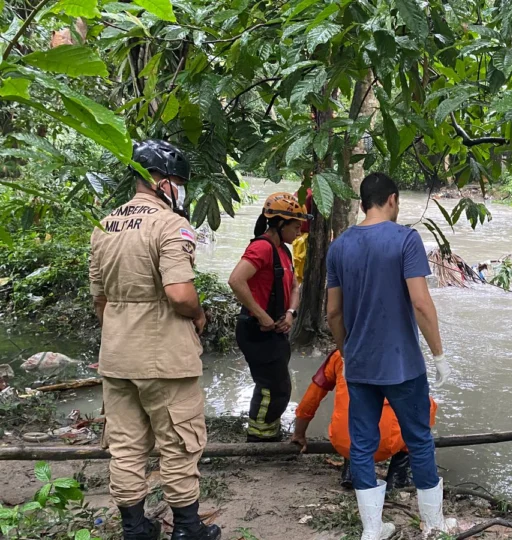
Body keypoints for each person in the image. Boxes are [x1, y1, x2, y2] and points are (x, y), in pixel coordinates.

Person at [89, 139, 220, 540]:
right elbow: (180, 293)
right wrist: (198, 314)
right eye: (178, 181)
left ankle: (135, 529)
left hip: (117, 354)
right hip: (164, 356)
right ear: (162, 182)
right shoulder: (169, 224)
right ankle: (186, 529)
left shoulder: (105, 224)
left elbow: (100, 300)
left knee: (126, 447)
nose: (180, 189)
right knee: (178, 442)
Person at [326, 172, 456, 540]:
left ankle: (372, 528)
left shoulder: (339, 247)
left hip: (360, 362)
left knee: (362, 444)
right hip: (403, 364)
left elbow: (333, 312)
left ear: (364, 202)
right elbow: (420, 302)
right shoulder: (406, 240)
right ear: (393, 200)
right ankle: (432, 524)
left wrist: (345, 350)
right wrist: (439, 355)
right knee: (418, 440)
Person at [290, 349, 438, 490]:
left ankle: (352, 469)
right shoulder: (403, 354)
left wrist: (299, 433)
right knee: (427, 404)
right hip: (386, 445)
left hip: (344, 442)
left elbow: (312, 397)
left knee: (353, 407)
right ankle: (397, 476)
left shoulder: (340, 354)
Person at [227, 193, 307, 442]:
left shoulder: (282, 251)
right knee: (273, 387)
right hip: (257, 330)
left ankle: (267, 433)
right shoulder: (261, 248)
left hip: (275, 328)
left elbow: (295, 286)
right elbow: (235, 280)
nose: (298, 232)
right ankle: (259, 438)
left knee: (277, 386)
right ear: (280, 224)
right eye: (295, 227)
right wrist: (261, 315)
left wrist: (291, 314)